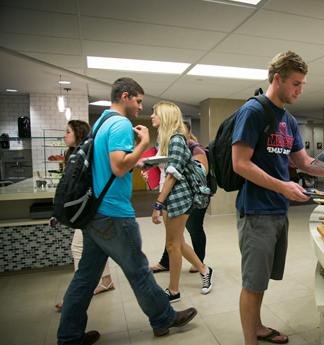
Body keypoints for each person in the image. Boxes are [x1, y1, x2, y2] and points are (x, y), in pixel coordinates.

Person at [232, 51, 324, 345]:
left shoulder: (288, 120)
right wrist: (282, 186)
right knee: (252, 283)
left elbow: (305, 162)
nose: (300, 90)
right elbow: (239, 163)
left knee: (261, 279)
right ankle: (249, 340)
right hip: (256, 212)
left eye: (303, 84)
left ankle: (258, 327)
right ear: (277, 79)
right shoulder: (253, 112)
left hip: (278, 211)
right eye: (295, 83)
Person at [57, 78, 197, 345]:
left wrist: (137, 160)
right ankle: (163, 318)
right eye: (138, 101)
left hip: (95, 212)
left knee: (85, 278)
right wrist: (143, 144)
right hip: (114, 213)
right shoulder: (121, 123)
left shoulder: (101, 123)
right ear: (125, 96)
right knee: (139, 270)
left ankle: (69, 337)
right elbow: (119, 167)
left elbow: (109, 166)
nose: (140, 106)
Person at [148, 101, 213, 302]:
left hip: (178, 198)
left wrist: (158, 204)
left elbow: (172, 175)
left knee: (172, 245)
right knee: (178, 242)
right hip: (170, 195)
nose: (151, 116)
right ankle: (204, 269)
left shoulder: (176, 139)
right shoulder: (167, 140)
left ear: (165, 116)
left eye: (155, 113)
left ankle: (173, 291)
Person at [54, 120, 115, 312]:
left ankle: (76, 297)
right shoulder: (73, 154)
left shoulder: (86, 153)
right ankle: (105, 281)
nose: (65, 135)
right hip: (86, 211)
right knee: (93, 249)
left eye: (68, 132)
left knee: (80, 249)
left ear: (78, 134)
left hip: (91, 211)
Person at [150, 124, 210, 275]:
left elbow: (202, 173)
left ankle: (200, 263)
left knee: (194, 229)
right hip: (176, 196)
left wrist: (181, 170)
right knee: (174, 234)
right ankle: (166, 262)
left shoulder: (195, 148)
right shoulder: (173, 146)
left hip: (193, 197)